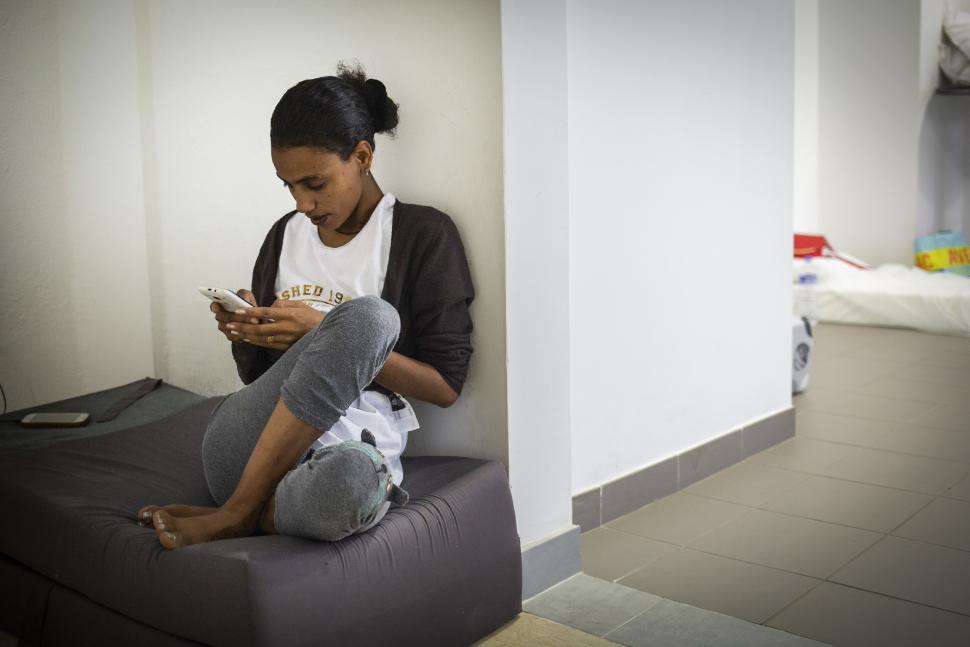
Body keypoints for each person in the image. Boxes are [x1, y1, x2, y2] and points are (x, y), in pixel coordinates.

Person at [136, 63, 474, 549]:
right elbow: (258, 381)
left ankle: (254, 511)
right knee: (369, 317)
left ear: (362, 156)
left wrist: (319, 330)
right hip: (245, 447)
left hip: (345, 455)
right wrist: (247, 332)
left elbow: (444, 388)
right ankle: (241, 507)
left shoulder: (422, 236)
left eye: (314, 184)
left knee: (354, 481)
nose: (302, 204)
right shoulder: (284, 236)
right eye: (289, 186)